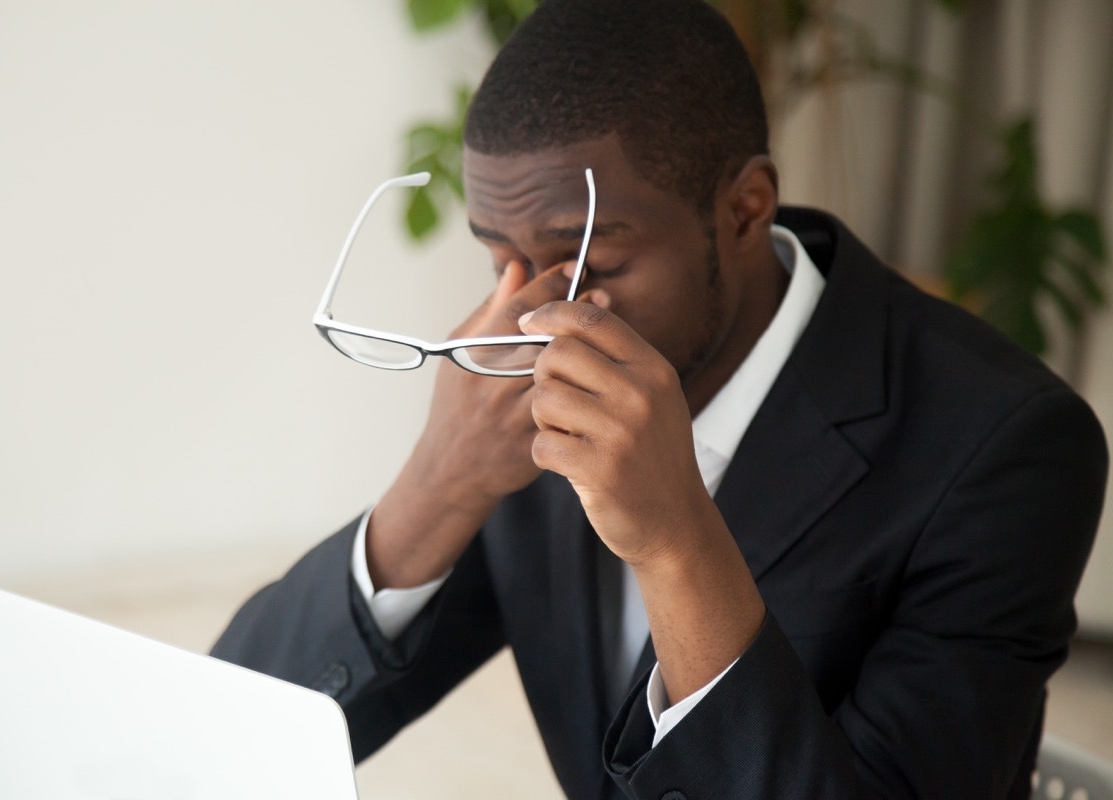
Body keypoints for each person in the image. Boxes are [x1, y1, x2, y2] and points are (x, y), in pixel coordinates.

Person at [211, 0, 1109, 797]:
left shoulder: (1007, 448)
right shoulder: (523, 398)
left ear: (746, 209)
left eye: (593, 262)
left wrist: (677, 537)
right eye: (499, 260)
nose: (535, 316)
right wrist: (441, 481)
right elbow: (226, 739)